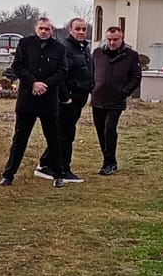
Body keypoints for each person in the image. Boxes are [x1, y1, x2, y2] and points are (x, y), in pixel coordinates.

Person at [3, 16, 68, 186]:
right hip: (27, 99)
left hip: (49, 99)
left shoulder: (59, 49)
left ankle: (58, 174)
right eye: (41, 28)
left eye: (47, 29)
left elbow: (62, 71)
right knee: (20, 139)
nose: (44, 31)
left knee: (53, 138)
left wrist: (45, 84)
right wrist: (33, 83)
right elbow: (18, 66)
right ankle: (8, 175)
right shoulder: (25, 44)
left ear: (52, 31)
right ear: (36, 28)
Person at [42, 16, 92, 186]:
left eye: (84, 29)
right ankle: (63, 168)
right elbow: (61, 75)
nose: (81, 32)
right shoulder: (65, 48)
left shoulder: (84, 48)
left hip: (80, 97)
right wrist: (66, 97)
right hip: (67, 99)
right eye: (77, 29)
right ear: (70, 30)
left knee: (63, 133)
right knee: (66, 135)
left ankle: (46, 163)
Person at [89, 25, 145, 174]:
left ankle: (109, 162)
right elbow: (90, 72)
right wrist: (92, 88)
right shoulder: (98, 53)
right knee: (100, 131)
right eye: (109, 39)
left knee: (109, 129)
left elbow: (136, 77)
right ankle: (107, 159)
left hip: (116, 100)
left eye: (116, 40)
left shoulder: (131, 55)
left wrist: (125, 91)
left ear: (122, 38)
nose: (112, 43)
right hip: (98, 98)